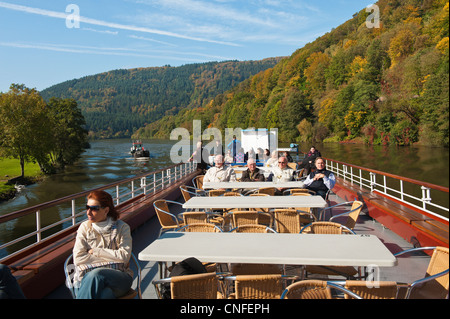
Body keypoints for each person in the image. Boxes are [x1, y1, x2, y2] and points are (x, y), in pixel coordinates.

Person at [72, 190, 133, 299]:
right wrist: (113, 259)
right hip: (85, 280)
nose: (88, 212)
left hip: (119, 279)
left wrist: (96, 251)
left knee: (96, 274)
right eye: (87, 207)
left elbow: (124, 256)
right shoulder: (84, 228)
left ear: (106, 210)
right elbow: (78, 258)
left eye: (94, 208)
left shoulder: (122, 228)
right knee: (105, 294)